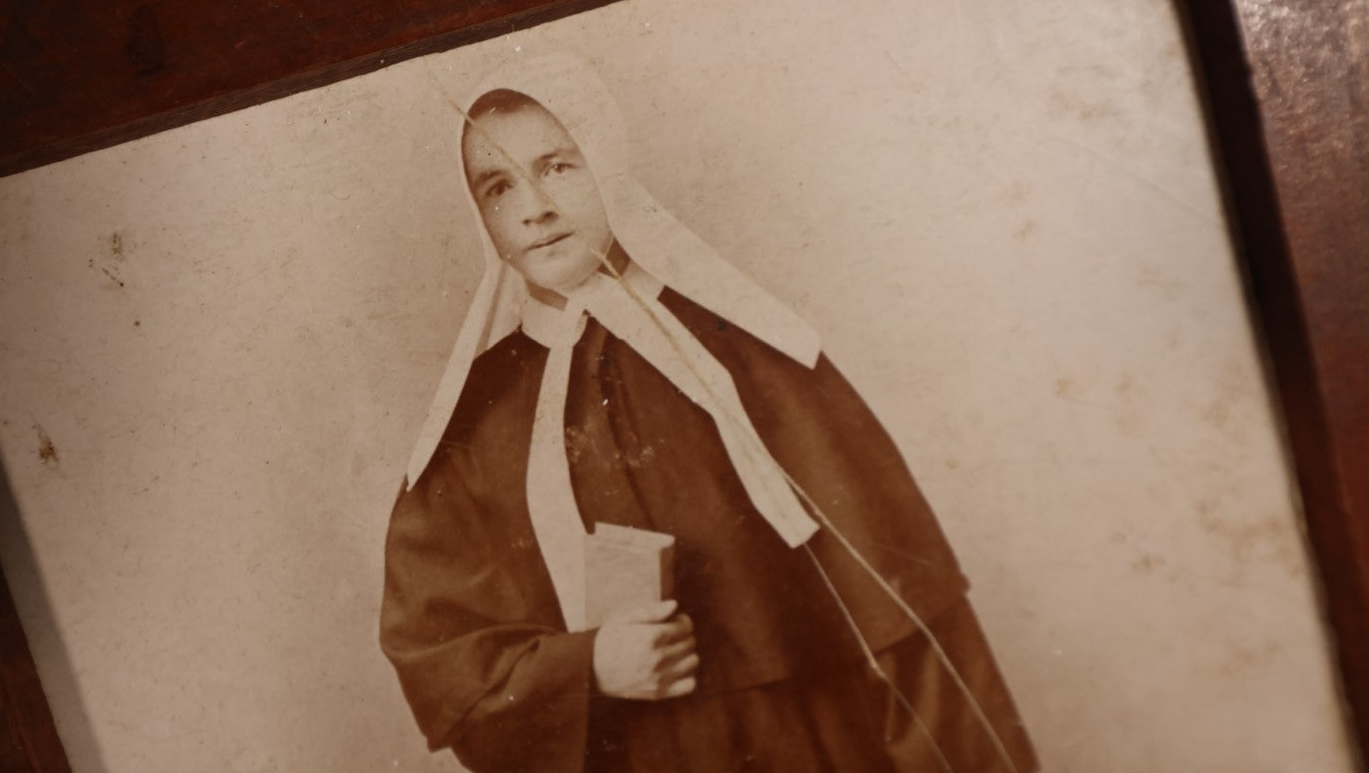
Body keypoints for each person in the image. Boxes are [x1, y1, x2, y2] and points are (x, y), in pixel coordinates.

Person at [380, 54, 1038, 772]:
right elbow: (444, 664)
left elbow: (911, 622)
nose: (534, 206)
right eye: (499, 185)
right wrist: (587, 668)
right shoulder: (472, 427)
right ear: (482, 217)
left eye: (559, 166)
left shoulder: (749, 351)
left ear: (608, 160)